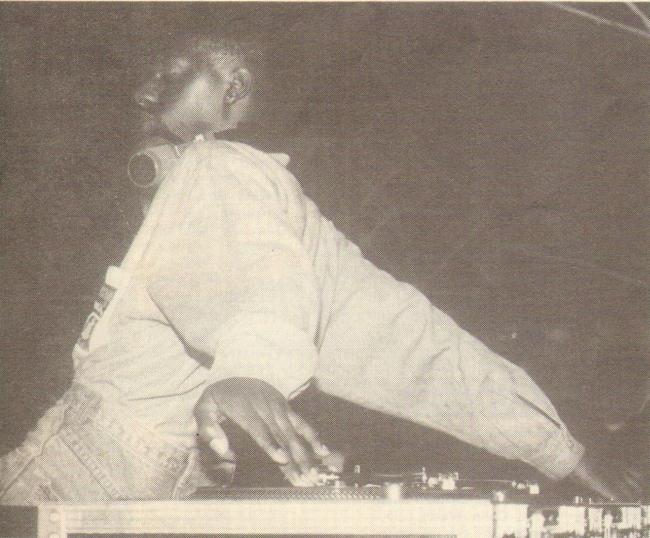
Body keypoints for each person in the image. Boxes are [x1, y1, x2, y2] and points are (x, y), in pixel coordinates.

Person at [0, 35, 640, 504]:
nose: (146, 90)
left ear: (233, 88)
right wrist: (559, 451)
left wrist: (253, 368)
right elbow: (413, 342)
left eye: (172, 72)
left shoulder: (216, 168)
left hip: (78, 474)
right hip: (155, 487)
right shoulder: (280, 206)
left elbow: (260, 292)